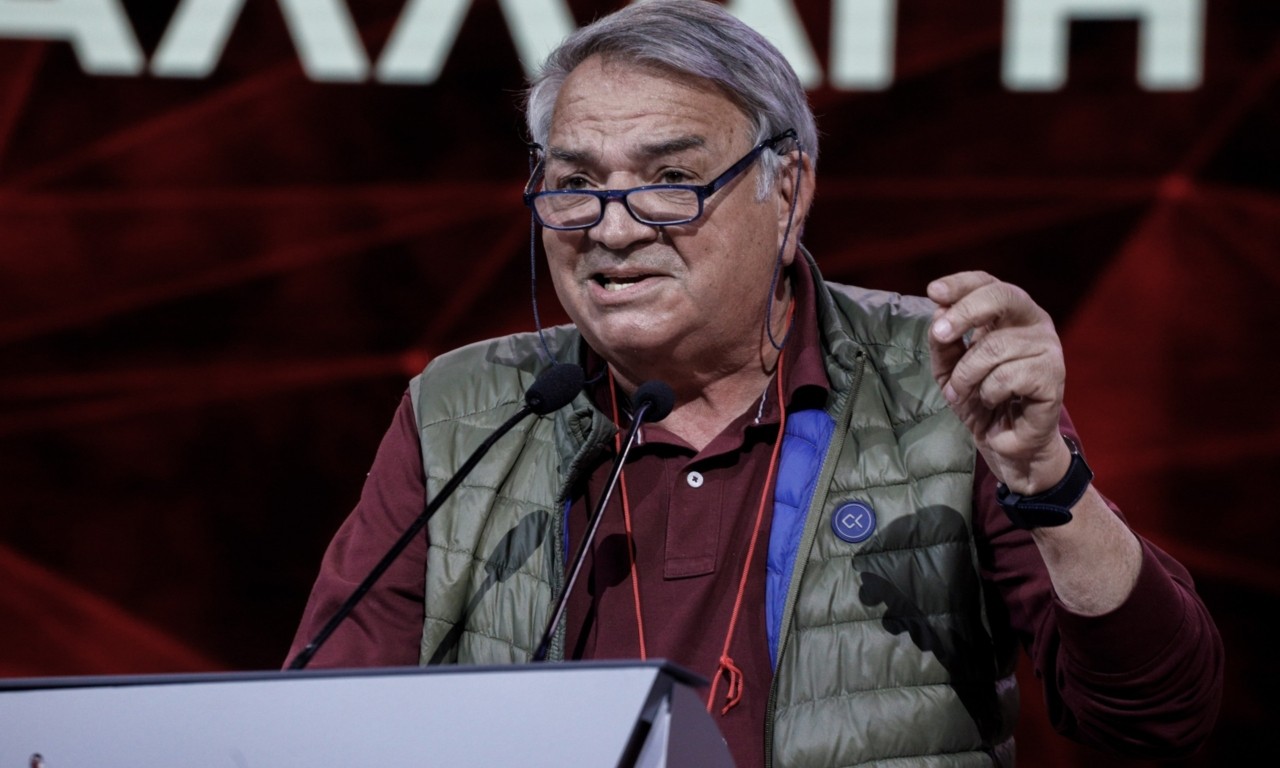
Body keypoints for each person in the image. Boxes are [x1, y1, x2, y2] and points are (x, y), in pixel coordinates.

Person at [285, 1, 1223, 765]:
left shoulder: (936, 379)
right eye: (576, 183)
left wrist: (1047, 482)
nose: (612, 228)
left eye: (671, 178)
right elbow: (317, 727)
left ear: (790, 191)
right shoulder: (464, 410)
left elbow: (1158, 715)